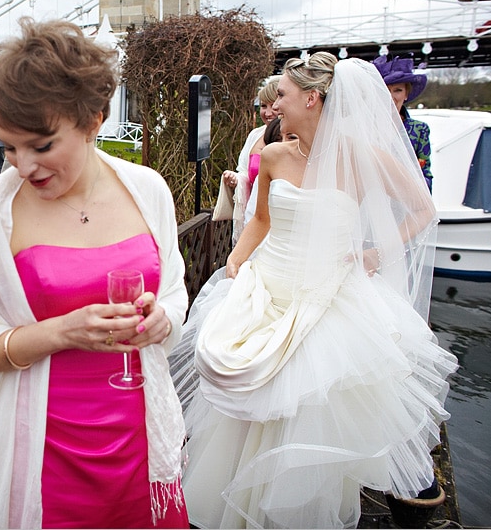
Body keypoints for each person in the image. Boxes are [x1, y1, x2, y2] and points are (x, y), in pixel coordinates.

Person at [174, 53, 457, 528]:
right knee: (245, 402)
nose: (274, 104)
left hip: (330, 295)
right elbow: (261, 218)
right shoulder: (274, 155)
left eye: (281, 95)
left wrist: (375, 254)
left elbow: (422, 208)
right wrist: (236, 258)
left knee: (311, 402)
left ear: (312, 97)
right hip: (267, 288)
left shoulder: (360, 154)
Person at [0, 18, 190, 528]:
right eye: (9, 147)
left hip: (141, 441)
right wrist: (60, 332)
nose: (23, 165)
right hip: (44, 451)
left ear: (94, 118)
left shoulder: (149, 190)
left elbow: (175, 292)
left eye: (42, 145)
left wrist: (162, 319)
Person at [215, 77, 280, 240]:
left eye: (273, 106)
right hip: (253, 212)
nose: (268, 112)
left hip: (277, 215)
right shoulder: (255, 135)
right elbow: (244, 169)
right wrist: (236, 179)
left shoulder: (293, 137)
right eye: (264, 106)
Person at [372, 55, 433, 191]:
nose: (391, 97)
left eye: (398, 90)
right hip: (372, 200)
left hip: (408, 202)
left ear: (406, 94)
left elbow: (425, 174)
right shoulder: (366, 127)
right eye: (385, 90)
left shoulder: (419, 130)